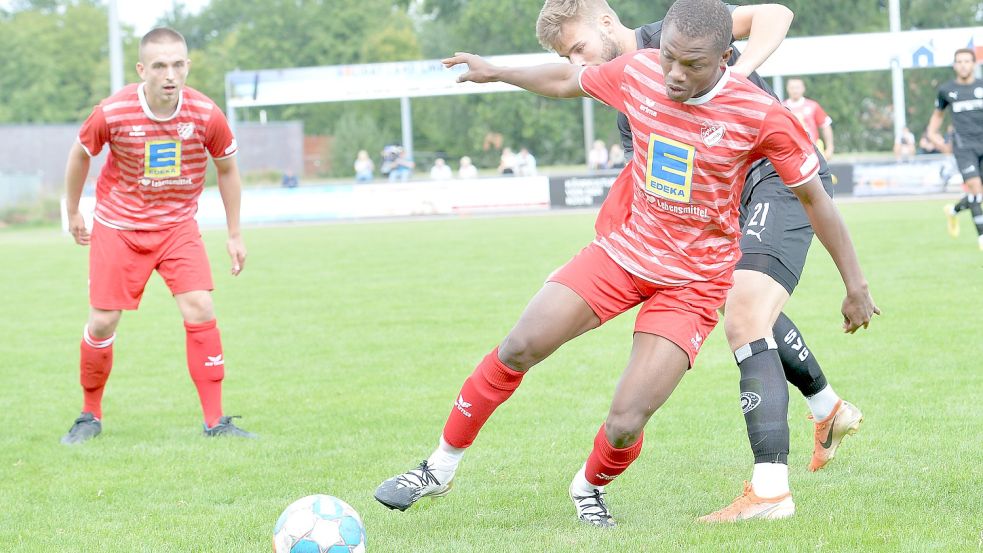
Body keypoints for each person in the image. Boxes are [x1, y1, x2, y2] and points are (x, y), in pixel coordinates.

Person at [374, 0, 877, 528]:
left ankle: (587, 487)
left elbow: (816, 199)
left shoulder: (760, 114)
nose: (675, 76)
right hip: (625, 253)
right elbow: (570, 81)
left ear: (726, 57)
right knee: (519, 344)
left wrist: (855, 284)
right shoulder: (639, 70)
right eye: (670, 61)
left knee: (624, 423)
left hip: (693, 283)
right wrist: (498, 70)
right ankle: (438, 467)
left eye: (693, 66)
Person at [536, 0, 866, 518]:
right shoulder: (632, 92)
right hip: (730, 197)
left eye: (578, 48)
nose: (578, 63)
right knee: (739, 298)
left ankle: (771, 492)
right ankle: (827, 409)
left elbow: (775, 14)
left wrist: (740, 76)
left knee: (744, 316)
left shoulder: (676, 32)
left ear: (605, 21)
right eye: (566, 57)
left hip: (776, 178)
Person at [61, 27, 255, 444]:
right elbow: (80, 154)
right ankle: (89, 415)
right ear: (142, 69)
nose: (171, 74)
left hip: (177, 227)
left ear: (188, 66)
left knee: (201, 306)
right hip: (119, 226)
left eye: (178, 64)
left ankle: (216, 422)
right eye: (161, 65)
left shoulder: (206, 114)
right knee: (102, 320)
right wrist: (74, 209)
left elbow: (227, 170)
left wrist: (235, 233)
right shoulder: (112, 112)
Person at [932, 49, 983, 246]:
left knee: (976, 194)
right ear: (954, 65)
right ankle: (981, 236)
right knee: (975, 187)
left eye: (967, 61)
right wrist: (939, 141)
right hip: (964, 147)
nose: (963, 65)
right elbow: (935, 121)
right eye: (959, 61)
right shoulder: (946, 90)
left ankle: (953, 210)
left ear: (974, 64)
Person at [783, 78, 835, 161]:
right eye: (792, 88)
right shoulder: (782, 107)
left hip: (813, 151)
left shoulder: (813, 105)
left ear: (803, 88)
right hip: (791, 153)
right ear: (787, 89)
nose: (795, 90)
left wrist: (830, 147)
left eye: (797, 87)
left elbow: (825, 125)